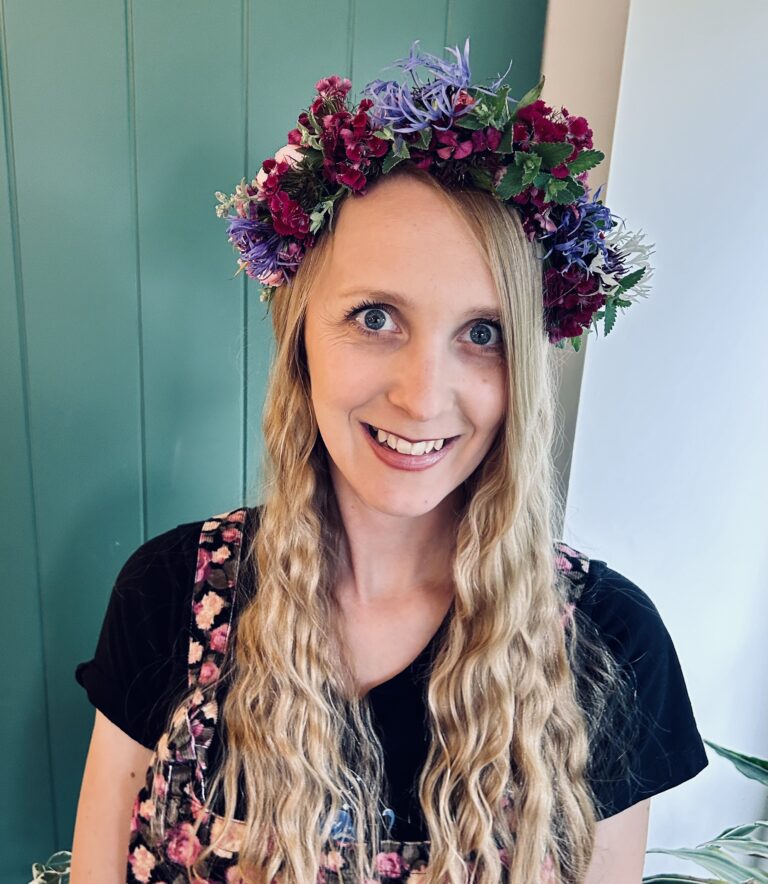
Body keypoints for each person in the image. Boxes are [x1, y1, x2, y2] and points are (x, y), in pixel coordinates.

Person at [71, 39, 708, 884]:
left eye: (482, 333)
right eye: (375, 317)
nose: (421, 396)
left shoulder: (612, 645)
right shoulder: (170, 596)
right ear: (301, 336)